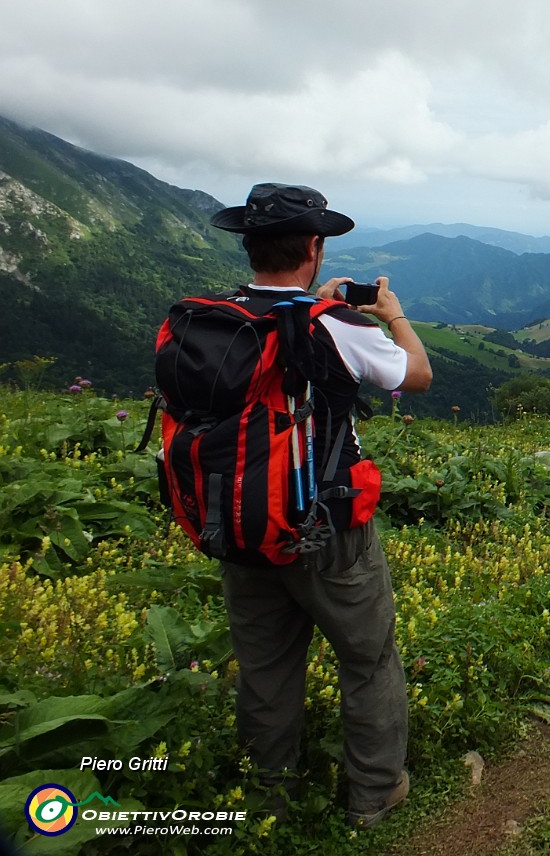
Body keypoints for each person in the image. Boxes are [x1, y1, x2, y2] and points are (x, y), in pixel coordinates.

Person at [206, 183, 432, 828]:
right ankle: (373, 795)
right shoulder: (334, 326)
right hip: (324, 525)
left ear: (249, 246)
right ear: (314, 245)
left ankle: (265, 804)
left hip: (239, 520)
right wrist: (389, 314)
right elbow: (416, 377)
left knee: (266, 669)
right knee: (368, 659)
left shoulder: (213, 321)